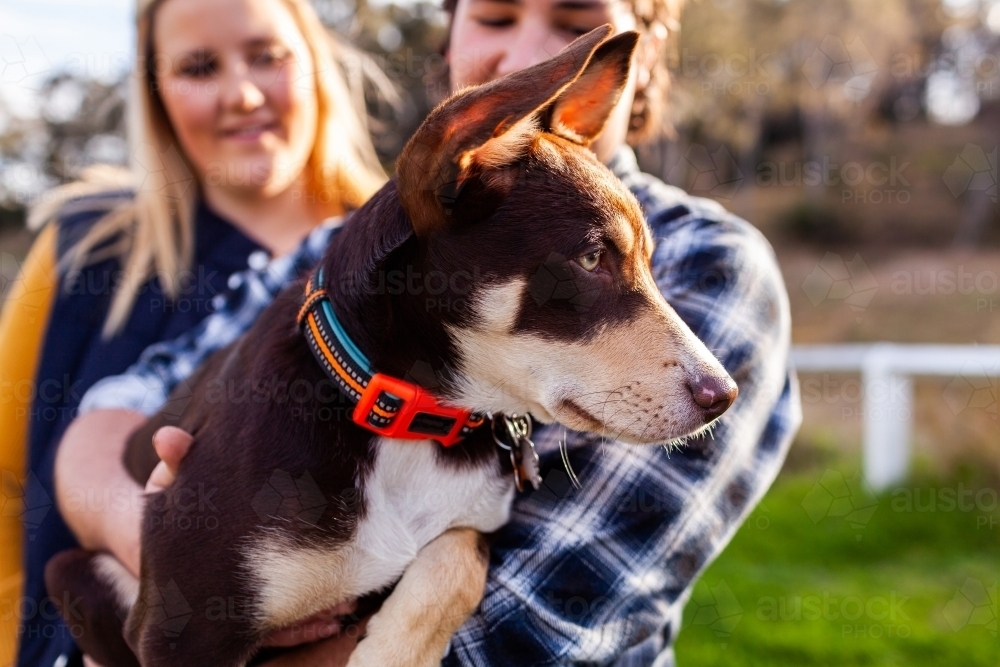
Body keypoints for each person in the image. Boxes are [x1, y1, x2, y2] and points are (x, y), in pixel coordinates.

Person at [58, 0, 803, 665]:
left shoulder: (712, 263)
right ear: (449, 38)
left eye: (575, 28)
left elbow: (522, 637)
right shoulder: (346, 254)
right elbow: (112, 412)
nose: (523, 56)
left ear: (618, 74)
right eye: (496, 19)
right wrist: (168, 545)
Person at [0, 0, 388, 665]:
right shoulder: (85, 249)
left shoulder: (394, 258)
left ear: (316, 64)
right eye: (199, 67)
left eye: (267, 56)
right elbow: (7, 482)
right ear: (156, 95)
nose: (241, 94)